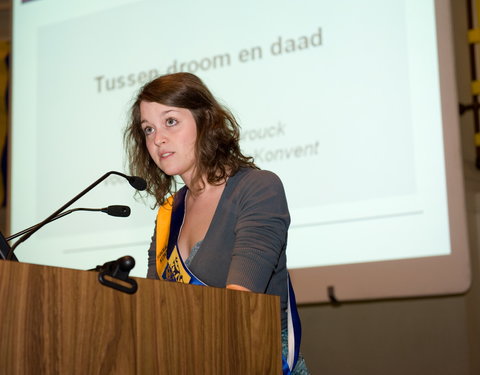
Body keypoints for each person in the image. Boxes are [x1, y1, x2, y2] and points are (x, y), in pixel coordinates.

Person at [124, 72, 309, 374]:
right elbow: (153, 311)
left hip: (256, 361)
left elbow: (237, 307)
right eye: (148, 129)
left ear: (205, 120)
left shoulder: (257, 188)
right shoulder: (169, 214)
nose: (157, 139)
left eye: (170, 121)